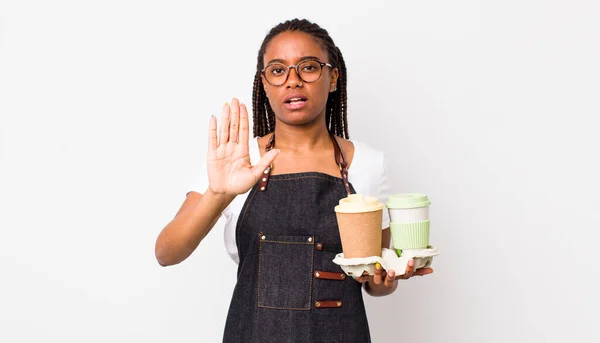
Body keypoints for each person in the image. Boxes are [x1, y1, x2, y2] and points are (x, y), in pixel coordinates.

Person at [155, 18, 433, 342]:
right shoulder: (234, 162)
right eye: (278, 70)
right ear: (264, 83)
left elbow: (374, 280)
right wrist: (219, 193)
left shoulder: (369, 165)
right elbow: (166, 252)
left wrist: (387, 279)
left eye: (309, 67)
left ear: (332, 78)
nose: (293, 81)